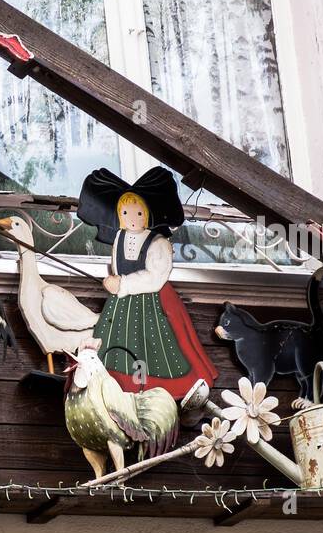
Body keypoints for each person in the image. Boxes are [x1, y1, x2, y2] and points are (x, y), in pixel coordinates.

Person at [76, 167, 218, 399]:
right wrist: (112, 281)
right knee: (118, 347)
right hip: (121, 306)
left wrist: (122, 284)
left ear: (148, 214)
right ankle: (119, 387)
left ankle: (154, 389)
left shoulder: (158, 243)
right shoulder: (119, 238)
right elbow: (116, 266)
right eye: (125, 213)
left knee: (154, 346)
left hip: (154, 303)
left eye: (138, 214)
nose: (132, 219)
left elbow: (155, 276)